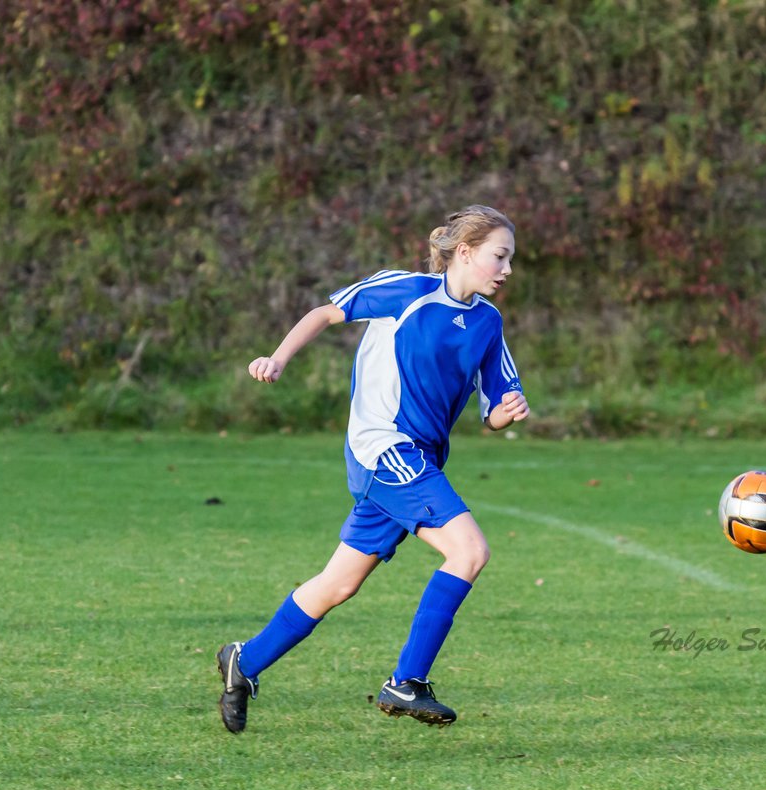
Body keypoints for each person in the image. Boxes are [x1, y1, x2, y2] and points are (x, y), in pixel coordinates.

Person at [216, 204, 530, 733]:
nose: (507, 269)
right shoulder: (404, 291)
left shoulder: (487, 323)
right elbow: (325, 313)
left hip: (419, 459)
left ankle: (241, 663)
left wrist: (505, 412)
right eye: (499, 256)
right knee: (469, 549)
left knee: (337, 584)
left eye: (511, 259)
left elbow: (495, 411)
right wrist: (278, 358)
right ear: (466, 251)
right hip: (384, 448)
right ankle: (407, 682)